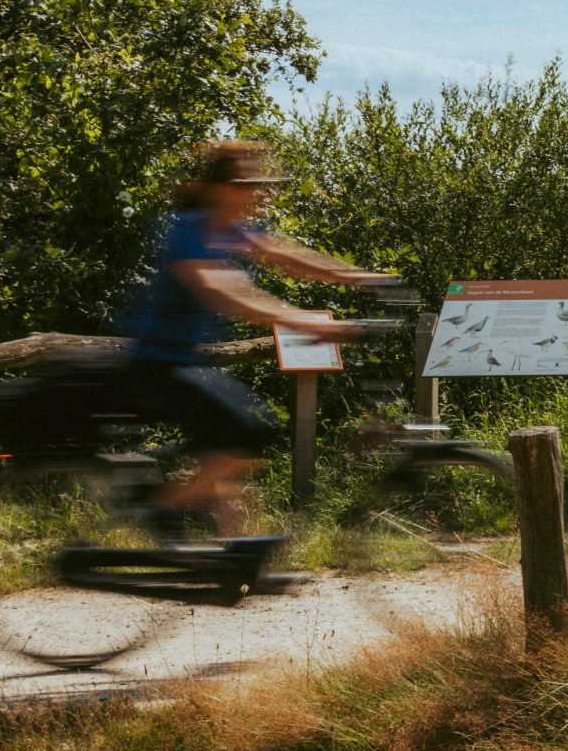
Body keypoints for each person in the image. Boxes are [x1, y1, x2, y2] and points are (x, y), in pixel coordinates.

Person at [115, 139, 395, 536]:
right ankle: (160, 509)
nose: (254, 193)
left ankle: (242, 565)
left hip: (189, 362)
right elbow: (221, 291)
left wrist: (355, 276)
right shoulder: (189, 229)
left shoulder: (231, 230)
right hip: (156, 364)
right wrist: (307, 322)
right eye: (245, 185)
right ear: (218, 189)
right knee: (250, 432)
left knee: (228, 454)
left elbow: (285, 255)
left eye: (257, 185)